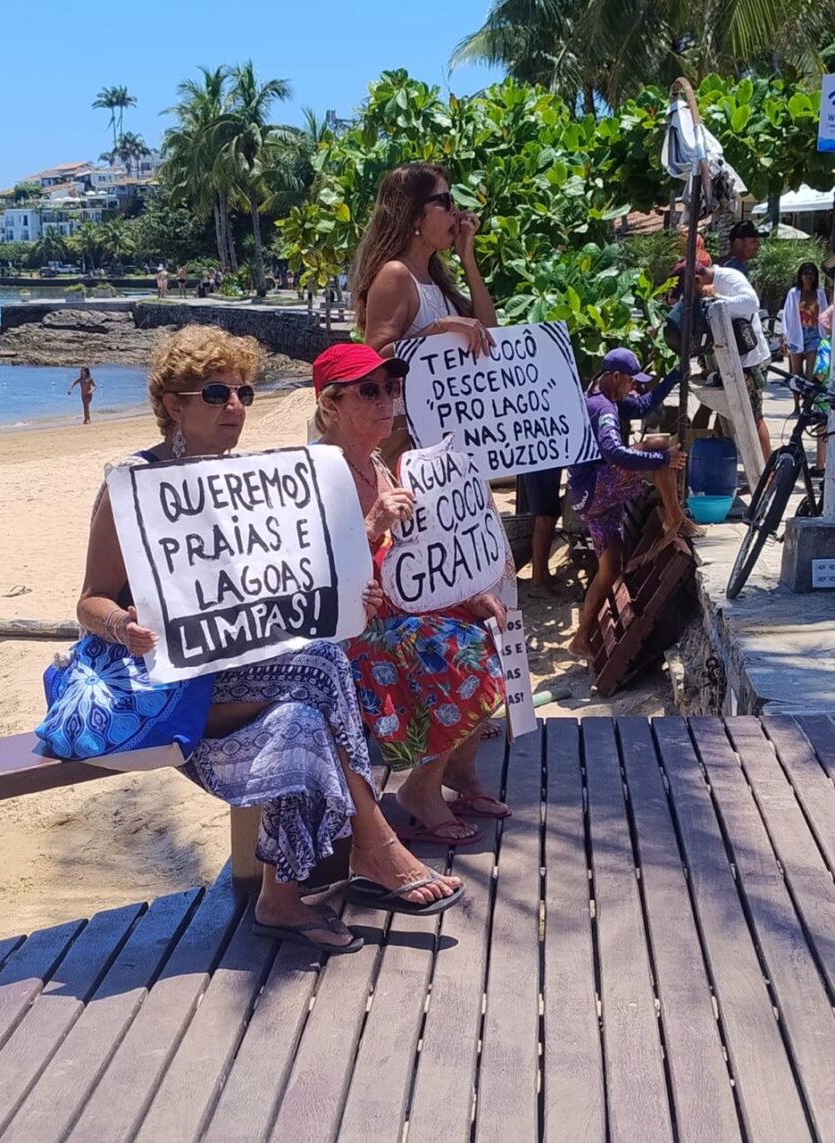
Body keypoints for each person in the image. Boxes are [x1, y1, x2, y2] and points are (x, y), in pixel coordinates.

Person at [40, 326, 463, 956]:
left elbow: (287, 586)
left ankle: (281, 900)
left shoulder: (248, 483)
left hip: (242, 673)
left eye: (243, 392)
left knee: (298, 717)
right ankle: (374, 843)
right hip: (163, 679)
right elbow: (89, 600)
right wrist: (122, 627)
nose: (234, 406)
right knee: (319, 668)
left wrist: (351, 595)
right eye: (215, 393)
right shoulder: (131, 485)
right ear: (174, 404)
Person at [313, 342, 510, 845]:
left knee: (487, 629)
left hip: (389, 613)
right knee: (453, 650)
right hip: (341, 631)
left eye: (391, 388)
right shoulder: (314, 473)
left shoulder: (380, 465)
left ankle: (459, 775)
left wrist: (467, 595)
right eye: (368, 391)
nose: (386, 400)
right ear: (330, 404)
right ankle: (419, 790)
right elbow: (306, 570)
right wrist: (372, 525)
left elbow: (416, 562)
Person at [350, 162, 497, 470]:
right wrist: (441, 328)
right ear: (414, 215)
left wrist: (468, 259)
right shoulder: (396, 274)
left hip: (451, 436)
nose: (456, 212)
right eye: (444, 201)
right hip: (411, 441)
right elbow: (375, 359)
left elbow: (490, 331)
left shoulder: (433, 277)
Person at [567, 349, 701, 660]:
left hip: (586, 498)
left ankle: (581, 638)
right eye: (631, 381)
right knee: (658, 444)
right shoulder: (604, 410)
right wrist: (661, 459)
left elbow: (643, 406)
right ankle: (675, 518)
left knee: (610, 569)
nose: (634, 387)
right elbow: (614, 452)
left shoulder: (601, 394)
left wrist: (673, 378)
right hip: (597, 489)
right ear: (615, 377)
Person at [693, 261, 773, 461]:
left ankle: (769, 471)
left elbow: (751, 303)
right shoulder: (714, 282)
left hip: (751, 360)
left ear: (697, 280)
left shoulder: (729, 278)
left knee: (753, 417)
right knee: (727, 413)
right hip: (733, 361)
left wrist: (715, 298)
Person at [782, 262, 827, 399]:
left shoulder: (819, 293)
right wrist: (785, 335)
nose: (808, 277)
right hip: (796, 333)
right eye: (805, 273)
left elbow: (825, 314)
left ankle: (807, 404)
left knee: (810, 373)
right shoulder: (794, 293)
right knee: (796, 373)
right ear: (800, 276)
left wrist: (826, 335)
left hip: (814, 334)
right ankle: (796, 405)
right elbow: (787, 315)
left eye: (811, 274)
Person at [520, 468, 564, 598]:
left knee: (551, 516)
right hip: (538, 466)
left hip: (549, 464)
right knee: (544, 519)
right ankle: (537, 582)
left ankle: (543, 573)